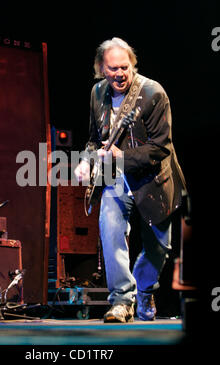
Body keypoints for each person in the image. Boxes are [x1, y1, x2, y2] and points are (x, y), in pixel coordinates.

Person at [74, 37, 186, 323]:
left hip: (154, 179)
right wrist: (86, 161)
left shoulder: (153, 93)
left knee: (158, 249)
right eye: (113, 69)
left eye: (124, 67)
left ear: (132, 65)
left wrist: (120, 156)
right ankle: (122, 300)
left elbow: (161, 147)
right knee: (110, 233)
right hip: (114, 178)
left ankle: (144, 287)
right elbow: (92, 139)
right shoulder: (97, 93)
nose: (119, 74)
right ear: (102, 68)